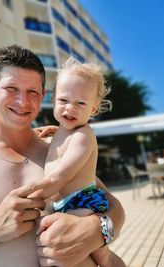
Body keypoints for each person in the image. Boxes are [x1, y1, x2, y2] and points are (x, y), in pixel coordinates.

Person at [0, 45, 125, 267]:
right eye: (11, 88)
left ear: (44, 96)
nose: (22, 102)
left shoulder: (59, 147)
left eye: (32, 92)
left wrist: (96, 230)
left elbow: (114, 207)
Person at [35, 57, 125, 267]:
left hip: (83, 201)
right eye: (63, 101)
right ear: (53, 98)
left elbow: (61, 175)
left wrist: (34, 195)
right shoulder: (63, 130)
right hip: (66, 203)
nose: (70, 109)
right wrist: (55, 129)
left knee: (100, 255)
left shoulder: (84, 136)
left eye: (80, 103)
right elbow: (66, 134)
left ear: (93, 109)